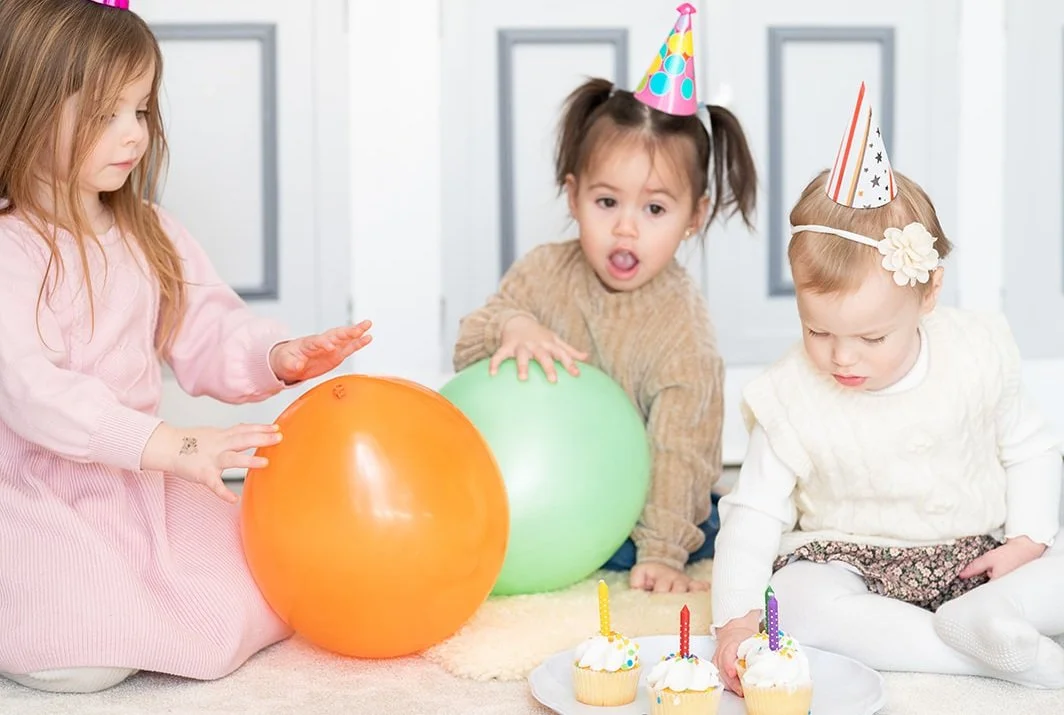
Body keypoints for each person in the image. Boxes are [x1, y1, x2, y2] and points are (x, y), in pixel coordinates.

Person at [0, 0, 373, 693]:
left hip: (140, 482)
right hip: (38, 489)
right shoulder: (11, 247)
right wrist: (172, 443)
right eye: (105, 113)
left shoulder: (149, 229)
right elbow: (29, 390)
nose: (132, 134)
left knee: (262, 589)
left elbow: (208, 328)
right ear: (26, 107)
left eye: (139, 110)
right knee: (75, 654)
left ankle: (139, 606)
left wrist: (276, 355)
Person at [710, 82, 1064, 692]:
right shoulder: (791, 393)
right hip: (850, 559)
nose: (841, 356)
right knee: (793, 606)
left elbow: (1030, 448)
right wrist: (734, 620)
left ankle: (993, 617)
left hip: (979, 557)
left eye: (871, 338)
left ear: (928, 294)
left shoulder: (976, 351)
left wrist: (1029, 538)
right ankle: (972, 652)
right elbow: (753, 512)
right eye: (816, 329)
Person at [453, 4, 757, 594]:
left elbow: (682, 448)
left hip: (633, 502)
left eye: (655, 209)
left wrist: (665, 550)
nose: (626, 229)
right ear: (573, 197)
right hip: (534, 483)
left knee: (703, 525)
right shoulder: (544, 272)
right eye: (607, 202)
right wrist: (512, 325)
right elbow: (469, 341)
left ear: (693, 217)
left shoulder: (682, 332)